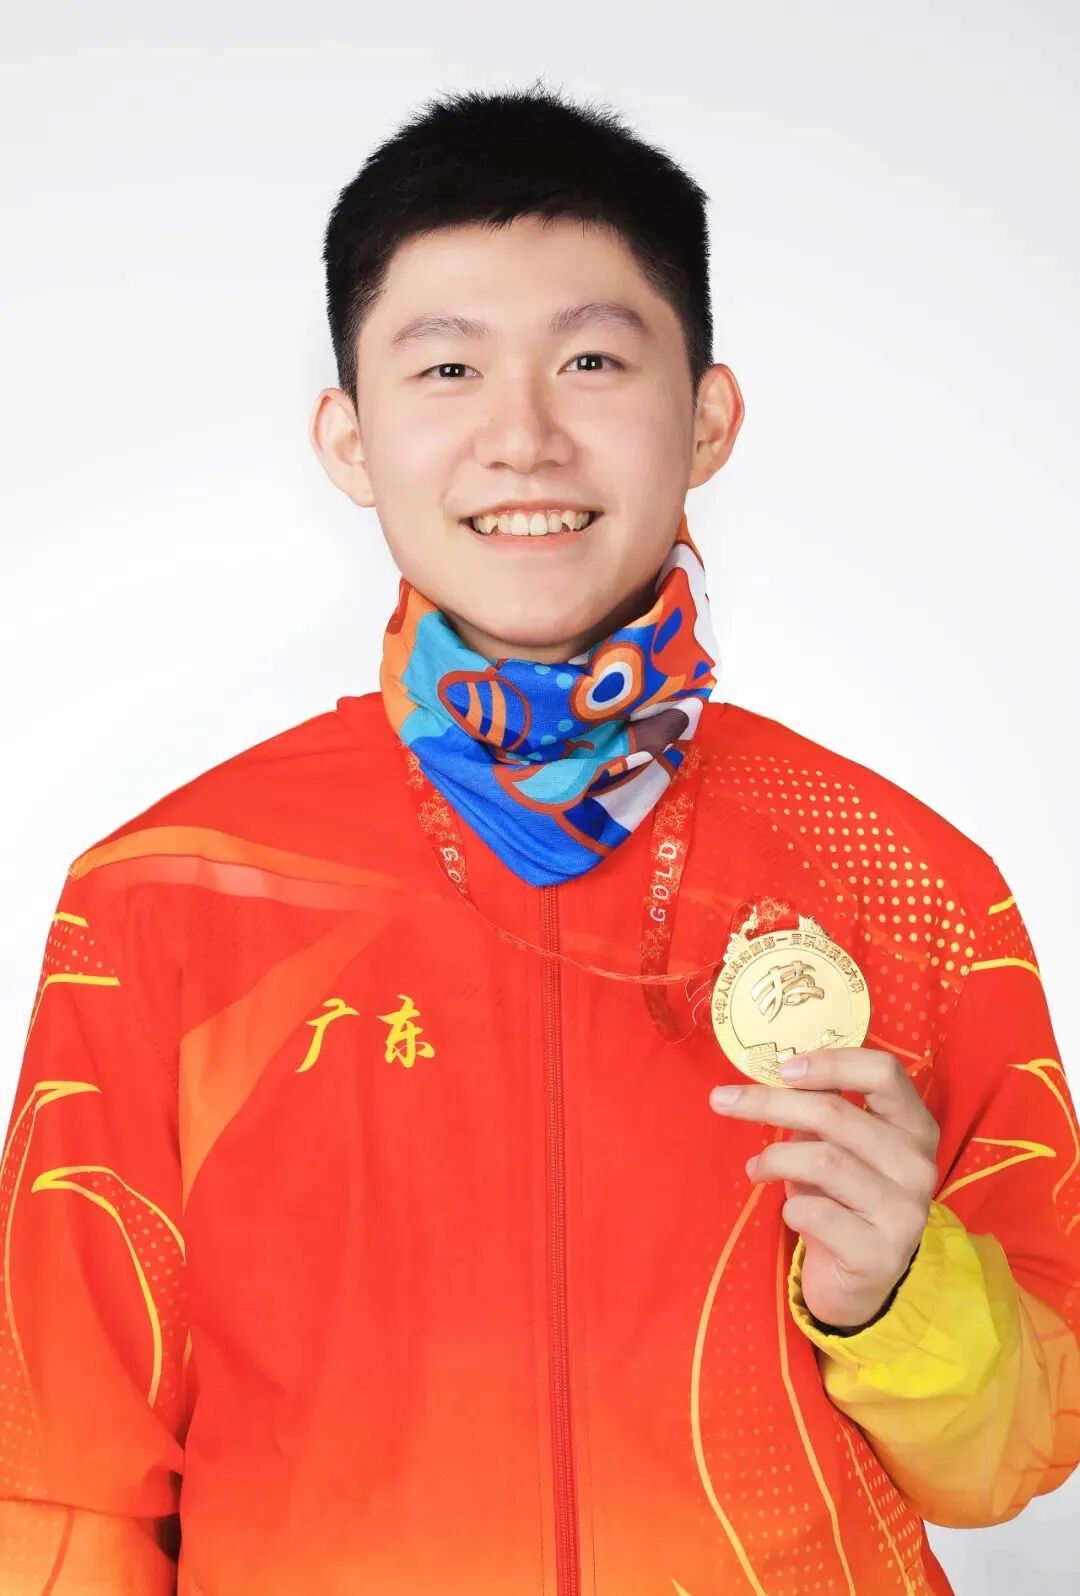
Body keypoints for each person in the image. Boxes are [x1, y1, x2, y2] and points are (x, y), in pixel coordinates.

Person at [1, 81, 1077, 1596]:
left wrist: (898, 1291)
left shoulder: (904, 880)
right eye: (446, 368)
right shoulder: (169, 895)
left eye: (592, 360)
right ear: (349, 437)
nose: (522, 438)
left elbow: (1019, 1456)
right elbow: (60, 1483)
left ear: (708, 417)